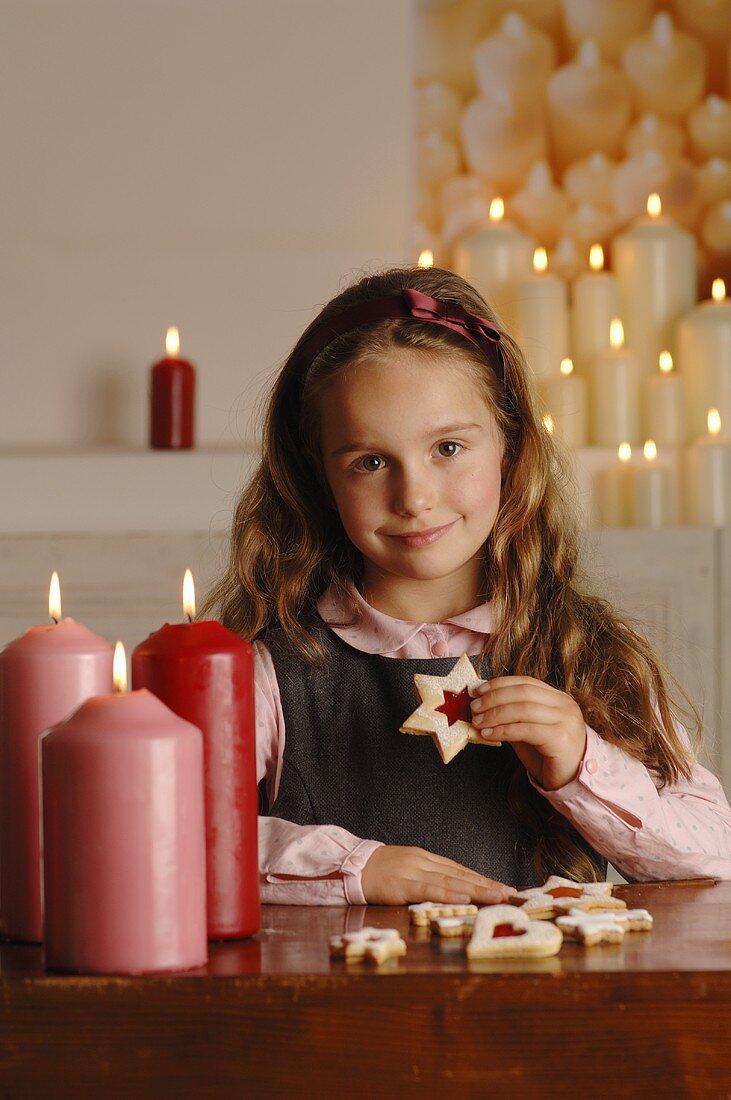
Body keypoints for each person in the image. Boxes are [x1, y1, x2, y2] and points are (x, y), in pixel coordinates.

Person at [202, 265, 731, 906]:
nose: (415, 497)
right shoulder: (271, 672)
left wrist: (579, 765)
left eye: (448, 448)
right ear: (319, 473)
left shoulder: (583, 649)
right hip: (342, 1008)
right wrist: (354, 869)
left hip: (544, 1007)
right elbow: (173, 838)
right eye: (370, 462)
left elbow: (713, 851)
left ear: (509, 446)